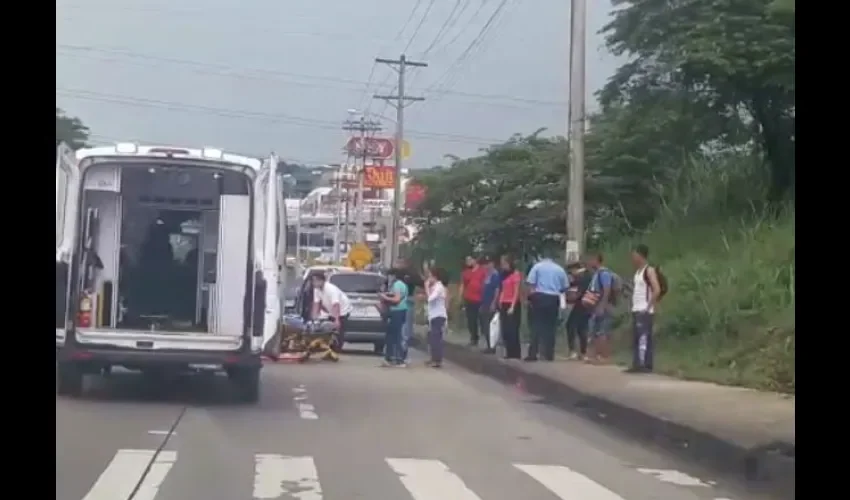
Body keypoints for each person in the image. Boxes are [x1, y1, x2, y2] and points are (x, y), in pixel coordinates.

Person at [525, 254, 569, 362]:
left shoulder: (537, 267)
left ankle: (533, 354)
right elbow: (565, 287)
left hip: (539, 297)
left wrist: (530, 298)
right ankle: (549, 354)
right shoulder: (559, 269)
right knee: (550, 327)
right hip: (553, 299)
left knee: (536, 326)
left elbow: (530, 284)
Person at [629, 244, 661, 373]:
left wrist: (648, 306)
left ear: (640, 255)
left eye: (634, 254)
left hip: (644, 309)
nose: (632, 257)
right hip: (636, 308)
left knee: (644, 337)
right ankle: (637, 363)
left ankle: (645, 364)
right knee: (637, 337)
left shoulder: (649, 270)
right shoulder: (638, 272)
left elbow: (656, 289)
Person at [390, 258, 423, 364]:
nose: (397, 264)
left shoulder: (409, 275)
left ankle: (400, 354)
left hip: (404, 300)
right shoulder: (397, 274)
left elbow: (421, 283)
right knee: (402, 328)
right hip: (402, 301)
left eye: (399, 262)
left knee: (404, 329)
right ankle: (398, 353)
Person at [310, 272, 353, 352]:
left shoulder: (330, 289)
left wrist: (337, 320)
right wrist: (314, 317)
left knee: (338, 330)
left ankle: (337, 348)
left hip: (342, 309)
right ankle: (328, 346)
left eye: (316, 281)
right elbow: (316, 303)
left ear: (322, 281)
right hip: (331, 310)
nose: (314, 283)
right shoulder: (316, 289)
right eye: (313, 281)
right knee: (328, 329)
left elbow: (336, 304)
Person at [585, 252, 616, 364]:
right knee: (596, 331)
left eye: (590, 259)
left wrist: (602, 305)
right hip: (597, 306)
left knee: (602, 331)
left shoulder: (604, 273)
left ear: (596, 260)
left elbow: (606, 289)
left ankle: (604, 357)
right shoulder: (597, 273)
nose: (588, 262)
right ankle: (596, 355)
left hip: (603, 307)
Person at [380, 270, 410, 367]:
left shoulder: (397, 285)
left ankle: (396, 359)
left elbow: (396, 299)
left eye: (389, 275)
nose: (388, 278)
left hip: (397, 311)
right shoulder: (403, 285)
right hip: (402, 311)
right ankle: (394, 358)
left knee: (394, 335)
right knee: (395, 335)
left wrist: (384, 297)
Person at [564, 262, 593, 360]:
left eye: (571, 272)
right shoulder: (586, 275)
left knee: (571, 325)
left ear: (575, 269)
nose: (571, 274)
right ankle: (582, 352)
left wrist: (571, 298)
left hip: (582, 304)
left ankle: (575, 351)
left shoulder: (584, 276)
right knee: (582, 328)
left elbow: (580, 291)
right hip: (586, 305)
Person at [497, 255, 523, 359]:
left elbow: (516, 291)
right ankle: (508, 351)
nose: (503, 265)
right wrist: (500, 300)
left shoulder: (515, 274)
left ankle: (515, 352)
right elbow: (502, 289)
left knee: (512, 329)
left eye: (504, 263)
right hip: (504, 302)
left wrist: (512, 306)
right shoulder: (503, 275)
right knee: (505, 329)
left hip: (512, 303)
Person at [459, 255, 487, 347]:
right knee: (471, 319)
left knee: (481, 319)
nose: (468, 262)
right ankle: (474, 337)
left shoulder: (482, 271)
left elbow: (485, 284)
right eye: (467, 260)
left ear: (475, 260)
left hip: (479, 298)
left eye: (470, 260)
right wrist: (460, 297)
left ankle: (485, 336)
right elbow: (463, 285)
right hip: (469, 298)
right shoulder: (465, 272)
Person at [424, 267, 449, 368]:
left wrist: (426, 288)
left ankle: (437, 360)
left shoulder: (439, 287)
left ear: (435, 277)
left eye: (430, 276)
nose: (429, 278)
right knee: (432, 338)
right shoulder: (435, 287)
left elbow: (430, 299)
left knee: (436, 338)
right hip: (433, 316)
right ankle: (433, 358)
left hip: (438, 315)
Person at [478, 257, 502, 353]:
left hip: (491, 303)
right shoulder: (487, 275)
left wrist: (494, 302)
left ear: (492, 264)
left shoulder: (495, 275)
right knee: (484, 325)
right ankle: (489, 345)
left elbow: (497, 289)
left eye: (488, 264)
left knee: (490, 326)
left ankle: (492, 347)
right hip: (484, 302)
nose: (486, 266)